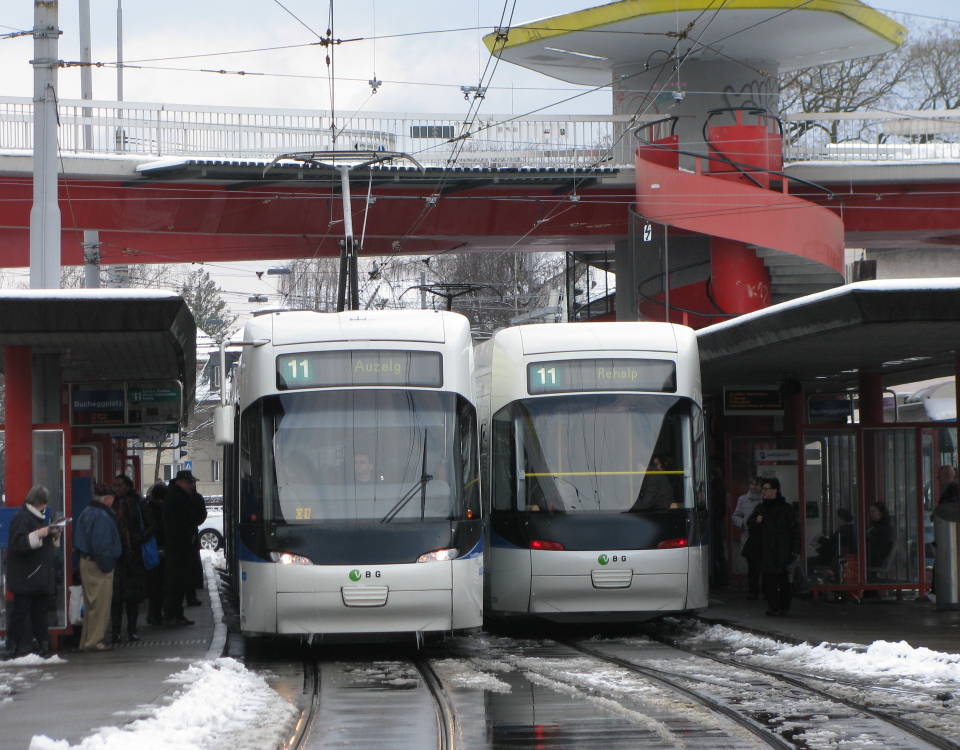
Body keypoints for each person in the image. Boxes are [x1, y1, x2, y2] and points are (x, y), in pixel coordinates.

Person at [4, 486, 61, 658]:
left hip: (35, 575)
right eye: (44, 504)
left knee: (37, 612)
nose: (45, 507)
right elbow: (18, 545)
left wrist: (51, 534)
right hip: (28, 576)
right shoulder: (23, 518)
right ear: (39, 503)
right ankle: (15, 646)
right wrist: (41, 533)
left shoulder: (35, 518)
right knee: (24, 613)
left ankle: (39, 644)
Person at [74, 485, 122, 651]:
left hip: (86, 562)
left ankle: (86, 640)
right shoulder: (102, 516)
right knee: (100, 605)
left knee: (91, 605)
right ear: (107, 499)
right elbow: (101, 545)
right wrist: (108, 566)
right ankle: (95, 642)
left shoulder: (86, 512)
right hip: (98, 565)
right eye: (112, 500)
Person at [747, 478, 799, 616]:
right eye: (762, 489)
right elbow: (750, 525)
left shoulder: (786, 509)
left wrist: (794, 550)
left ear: (775, 490)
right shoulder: (760, 508)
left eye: (766, 489)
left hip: (783, 550)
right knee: (769, 580)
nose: (763, 492)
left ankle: (783, 606)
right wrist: (756, 522)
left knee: (784, 581)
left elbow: (794, 530)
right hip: (766, 550)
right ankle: (773, 606)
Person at [109, 475, 151, 643]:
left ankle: (132, 630)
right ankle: (116, 632)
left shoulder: (138, 503)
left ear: (127, 486)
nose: (116, 488)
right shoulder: (112, 503)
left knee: (132, 598)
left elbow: (150, 525)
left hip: (133, 555)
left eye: (120, 485)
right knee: (116, 598)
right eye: (115, 485)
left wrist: (137, 539)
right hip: (117, 557)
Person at [162, 470, 204, 626]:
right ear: (180, 482)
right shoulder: (177, 498)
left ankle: (175, 614)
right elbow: (189, 518)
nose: (191, 485)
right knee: (176, 583)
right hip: (179, 546)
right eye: (189, 482)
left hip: (179, 545)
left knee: (178, 582)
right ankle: (173, 614)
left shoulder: (177, 496)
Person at [731, 477, 763, 599]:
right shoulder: (743, 499)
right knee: (752, 565)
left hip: (763, 536)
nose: (754, 487)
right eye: (752, 484)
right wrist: (743, 523)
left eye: (756, 485)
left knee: (765, 564)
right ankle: (753, 591)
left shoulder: (765, 500)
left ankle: (765, 590)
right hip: (749, 537)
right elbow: (735, 516)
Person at [144, 482, 167, 626]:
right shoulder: (158, 510)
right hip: (158, 550)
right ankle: (155, 615)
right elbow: (158, 529)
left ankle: (154, 614)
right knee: (158, 586)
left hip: (154, 550)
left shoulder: (148, 507)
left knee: (155, 586)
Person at [866, 502, 894, 576]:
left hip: (877, 559)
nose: (871, 514)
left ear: (881, 512)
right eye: (870, 512)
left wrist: (869, 536)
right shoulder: (872, 526)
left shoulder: (885, 528)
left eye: (873, 511)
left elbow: (881, 546)